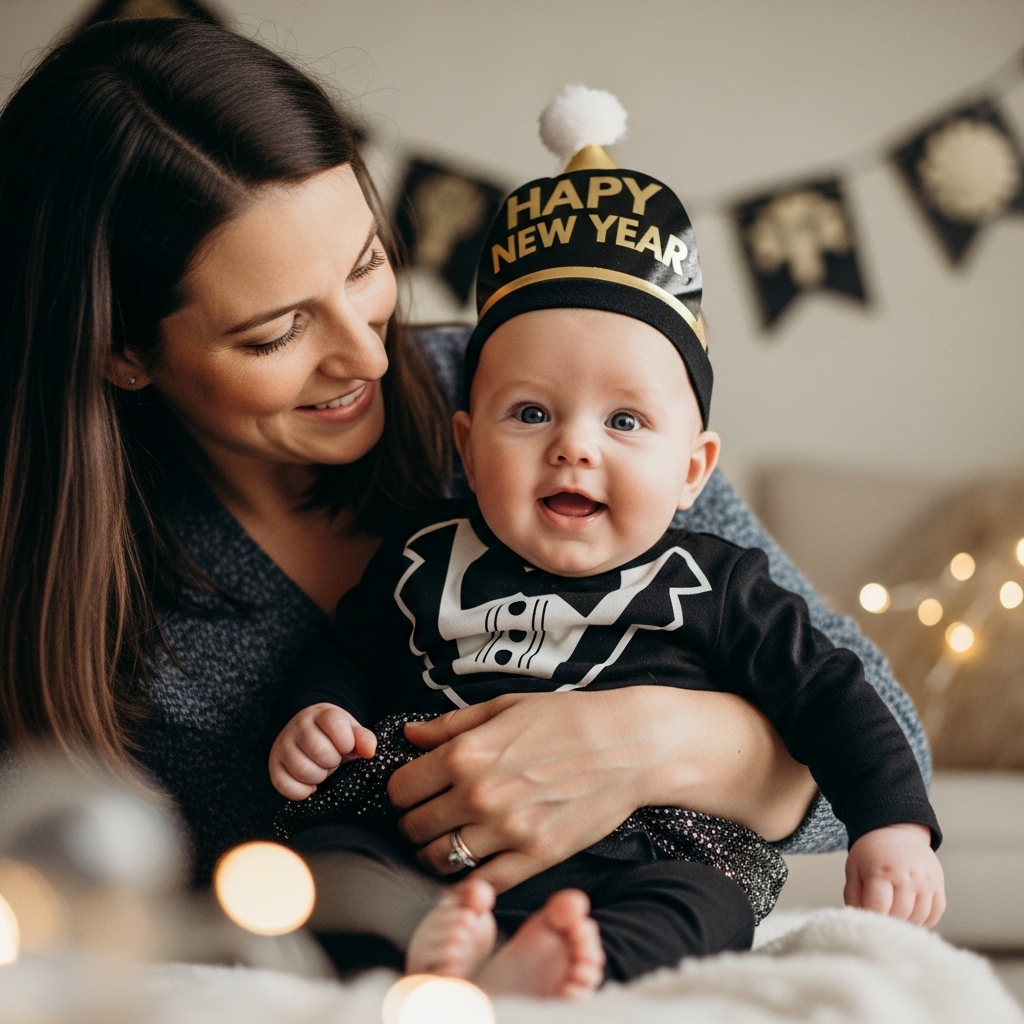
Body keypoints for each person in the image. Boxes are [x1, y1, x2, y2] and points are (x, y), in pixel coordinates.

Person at [0, 20, 930, 975]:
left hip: (625, 897)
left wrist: (646, 742)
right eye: (277, 331)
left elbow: (880, 733)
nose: (368, 353)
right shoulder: (73, 574)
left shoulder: (548, 381)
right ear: (120, 350)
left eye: (366, 265)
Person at [267, 96, 944, 995]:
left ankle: (576, 970)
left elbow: (834, 694)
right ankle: (423, 957)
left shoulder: (717, 580)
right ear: (466, 448)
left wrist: (891, 825)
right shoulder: (421, 558)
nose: (574, 445)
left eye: (625, 420)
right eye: (531, 413)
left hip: (643, 853)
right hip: (420, 836)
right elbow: (345, 652)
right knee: (324, 867)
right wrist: (320, 716)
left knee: (705, 907)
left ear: (693, 469)